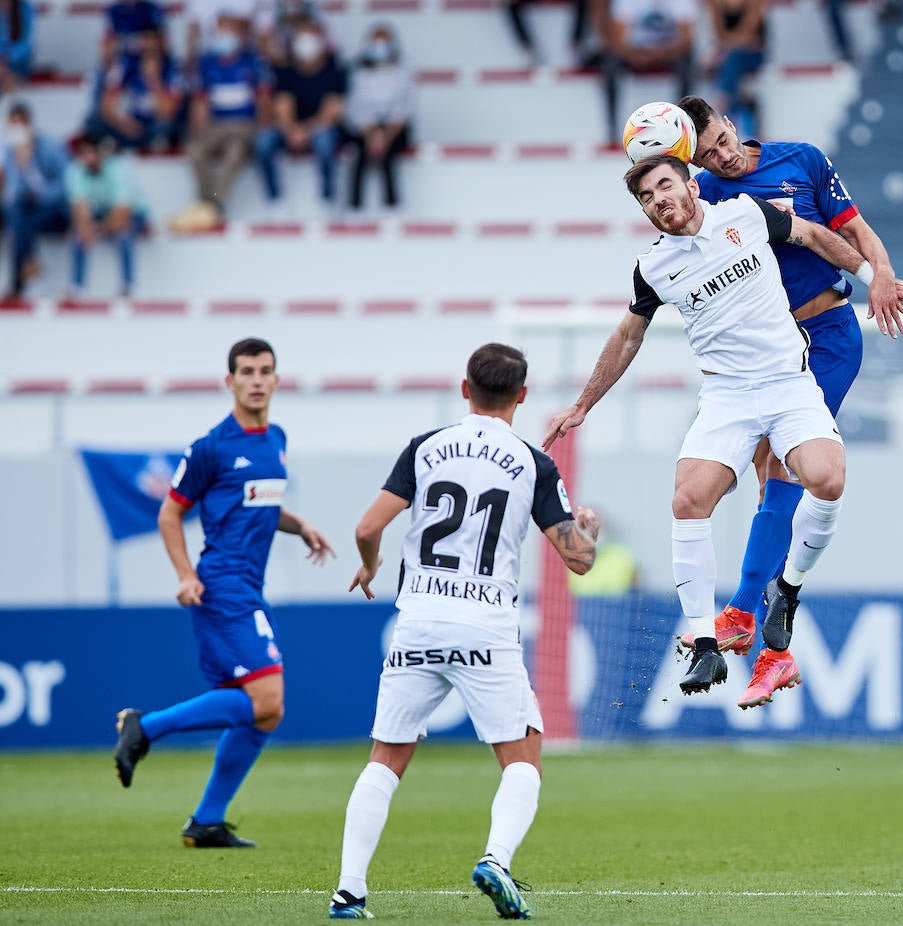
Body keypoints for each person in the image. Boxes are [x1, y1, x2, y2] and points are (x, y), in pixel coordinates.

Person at [545, 154, 872, 708]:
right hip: (727, 397)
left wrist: (872, 275)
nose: (659, 201)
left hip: (789, 383)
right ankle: (704, 642)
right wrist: (583, 403)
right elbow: (627, 337)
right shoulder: (654, 267)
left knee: (827, 479)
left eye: (665, 187)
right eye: (647, 198)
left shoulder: (745, 214)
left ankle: (785, 592)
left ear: (691, 185)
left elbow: (816, 235)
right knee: (687, 500)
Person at [326, 343, 600, 921]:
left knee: (385, 760)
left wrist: (371, 561)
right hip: (487, 625)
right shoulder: (533, 463)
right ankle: (496, 860)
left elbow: (367, 526)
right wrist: (588, 531)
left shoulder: (424, 449)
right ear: (521, 396)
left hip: (418, 619)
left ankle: (349, 891)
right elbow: (578, 560)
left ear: (464, 389)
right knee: (523, 759)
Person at [673, 95, 903, 665]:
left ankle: (743, 610)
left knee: (784, 469)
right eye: (708, 157)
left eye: (724, 143)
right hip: (772, 355)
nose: (723, 159)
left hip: (829, 334)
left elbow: (854, 229)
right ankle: (769, 631)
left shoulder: (801, 159)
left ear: (732, 125)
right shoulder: (705, 198)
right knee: (767, 473)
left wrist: (881, 274)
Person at [112, 337, 336, 848]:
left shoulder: (275, 438)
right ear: (230, 381)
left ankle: (207, 821)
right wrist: (186, 575)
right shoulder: (211, 447)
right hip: (222, 588)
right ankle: (144, 727)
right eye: (246, 371)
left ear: (276, 380)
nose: (256, 379)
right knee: (267, 697)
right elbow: (170, 513)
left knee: (265, 710)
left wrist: (301, 527)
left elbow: (260, 503)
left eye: (265, 371)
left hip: (249, 589)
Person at [176, 13, 271, 229]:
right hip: (216, 125)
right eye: (219, 32)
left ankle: (215, 204)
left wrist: (263, 130)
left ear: (240, 35)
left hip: (244, 126)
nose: (223, 37)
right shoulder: (207, 63)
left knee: (235, 153)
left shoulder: (253, 61)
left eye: (228, 31)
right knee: (195, 150)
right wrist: (197, 133)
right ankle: (205, 202)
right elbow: (201, 103)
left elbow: (263, 99)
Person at [255, 18, 345, 211]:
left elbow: (331, 111)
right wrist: (292, 130)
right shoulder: (285, 72)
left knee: (325, 141)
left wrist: (306, 131)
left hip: (319, 128)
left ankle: (327, 200)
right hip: (291, 129)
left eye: (310, 38)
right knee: (263, 142)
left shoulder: (334, 72)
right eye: (301, 38)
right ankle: (275, 202)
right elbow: (282, 106)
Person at [65, 132, 150, 299]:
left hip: (134, 214)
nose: (89, 158)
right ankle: (77, 287)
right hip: (101, 215)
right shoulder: (75, 171)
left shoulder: (117, 169)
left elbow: (122, 211)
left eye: (92, 153)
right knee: (79, 236)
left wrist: (98, 229)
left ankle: (128, 285)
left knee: (123, 234)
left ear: (100, 154)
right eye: (85, 154)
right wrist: (86, 227)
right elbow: (79, 209)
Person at [600, 0, 696, 145]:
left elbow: (687, 40)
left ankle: (683, 124)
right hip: (637, 51)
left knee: (688, 63)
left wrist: (662, 53)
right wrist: (634, 55)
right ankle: (612, 127)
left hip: (668, 52)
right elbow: (617, 39)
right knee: (610, 64)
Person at [341, 23, 413, 213]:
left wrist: (385, 135)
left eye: (384, 42)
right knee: (361, 153)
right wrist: (372, 133)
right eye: (375, 42)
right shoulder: (357, 71)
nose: (379, 47)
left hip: (394, 127)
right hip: (366, 127)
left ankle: (392, 206)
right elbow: (355, 107)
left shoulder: (403, 71)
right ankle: (354, 207)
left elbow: (404, 107)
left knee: (388, 154)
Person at [2, 102, 69, 300]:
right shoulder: (9, 151)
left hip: (53, 208)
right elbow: (12, 192)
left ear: (29, 124)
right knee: (18, 216)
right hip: (25, 209)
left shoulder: (51, 146)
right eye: (12, 125)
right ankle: (30, 262)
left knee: (20, 221)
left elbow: (63, 185)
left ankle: (17, 284)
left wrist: (37, 186)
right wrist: (20, 163)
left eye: (20, 124)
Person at [90, 27, 186, 152]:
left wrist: (153, 80)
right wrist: (124, 124)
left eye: (153, 40)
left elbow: (167, 112)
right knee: (94, 121)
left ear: (162, 43)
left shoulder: (173, 70)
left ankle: (150, 144)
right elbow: (107, 106)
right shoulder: (125, 65)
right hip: (128, 122)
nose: (149, 45)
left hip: (153, 124)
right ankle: (119, 142)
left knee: (166, 126)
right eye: (146, 40)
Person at [706, 0, 766, 139]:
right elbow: (720, 35)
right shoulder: (717, 4)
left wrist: (727, 46)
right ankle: (733, 108)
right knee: (727, 62)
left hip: (752, 55)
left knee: (731, 59)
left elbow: (749, 34)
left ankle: (723, 102)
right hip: (729, 54)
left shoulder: (753, 3)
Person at [0, 0, 35, 93]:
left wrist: (6, 60)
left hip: (17, 64)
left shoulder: (24, 8)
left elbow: (25, 43)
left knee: (8, 80)